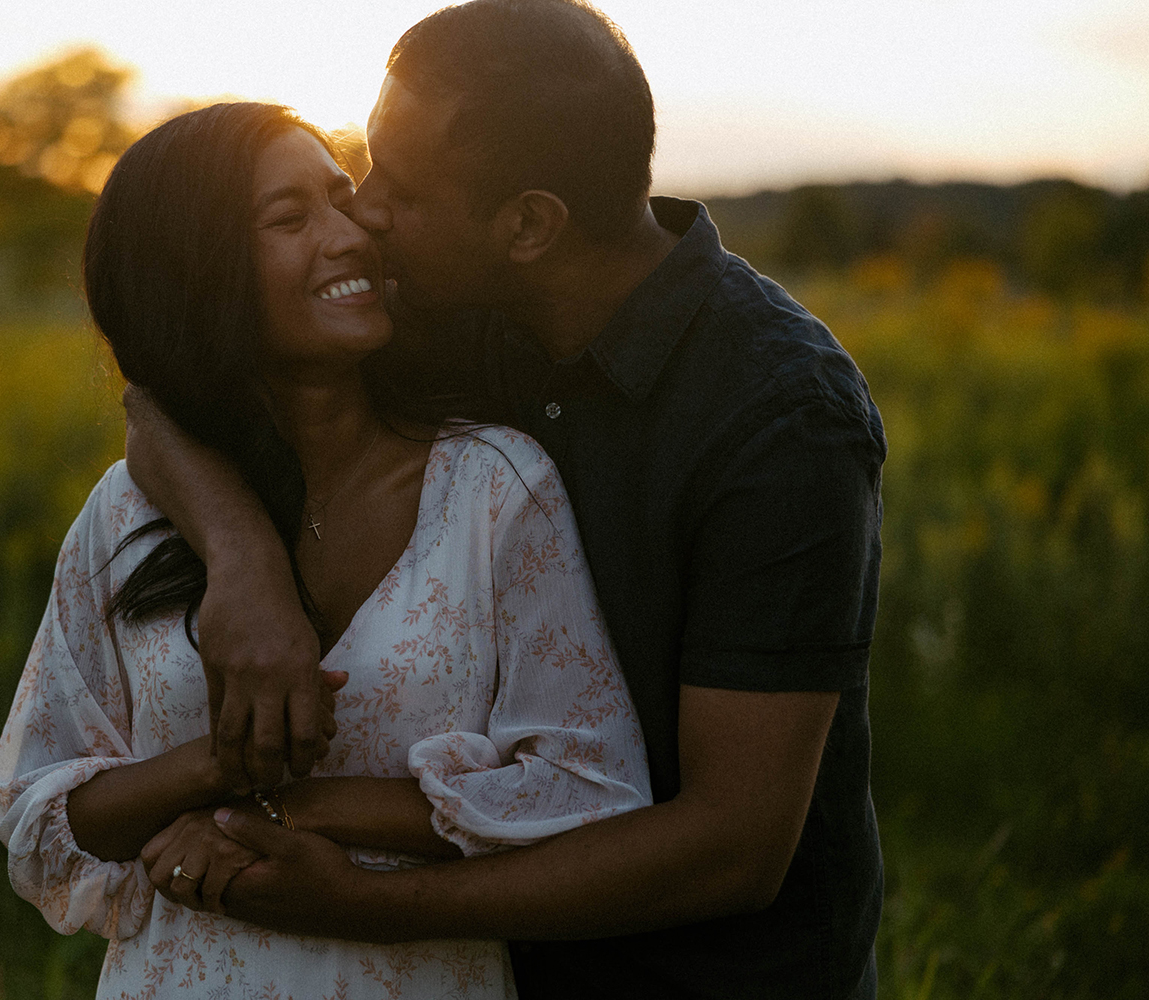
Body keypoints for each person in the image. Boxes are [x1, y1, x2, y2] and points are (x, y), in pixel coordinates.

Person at [124, 1, 887, 998]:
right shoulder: (452, 315)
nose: (363, 207)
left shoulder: (779, 418)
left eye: (397, 185)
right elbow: (164, 397)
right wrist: (246, 564)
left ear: (530, 224)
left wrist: (363, 903)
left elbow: (734, 845)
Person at [0, 101, 652, 999]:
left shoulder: (493, 486)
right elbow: (42, 818)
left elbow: (587, 787)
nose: (350, 236)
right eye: (291, 219)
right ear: (199, 271)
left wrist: (268, 810)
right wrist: (218, 764)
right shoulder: (129, 513)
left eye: (342, 202)